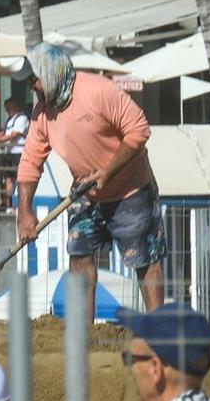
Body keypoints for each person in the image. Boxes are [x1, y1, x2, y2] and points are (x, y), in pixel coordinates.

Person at [16, 43, 165, 311]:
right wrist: (24, 211)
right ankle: (82, 338)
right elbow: (30, 162)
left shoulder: (99, 91)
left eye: (34, 80)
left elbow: (139, 130)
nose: (31, 87)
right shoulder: (42, 115)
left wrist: (108, 173)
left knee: (144, 261)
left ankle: (159, 329)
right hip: (86, 192)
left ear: (52, 73)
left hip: (130, 189)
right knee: (79, 259)